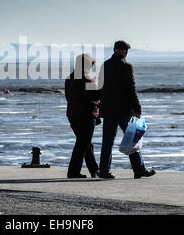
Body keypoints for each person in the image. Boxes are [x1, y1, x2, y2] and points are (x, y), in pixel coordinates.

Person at [97, 40, 155, 179]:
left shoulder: (105, 65)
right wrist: (137, 108)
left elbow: (100, 87)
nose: (127, 53)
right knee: (132, 140)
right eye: (126, 51)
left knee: (107, 142)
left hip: (108, 110)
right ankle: (139, 169)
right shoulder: (126, 66)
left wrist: (101, 105)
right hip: (123, 109)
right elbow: (131, 89)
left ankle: (104, 170)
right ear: (123, 51)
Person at [64, 54, 101, 178]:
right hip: (85, 115)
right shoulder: (86, 78)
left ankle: (94, 170)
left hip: (72, 114)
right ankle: (73, 171)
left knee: (85, 143)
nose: (91, 68)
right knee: (82, 144)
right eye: (91, 66)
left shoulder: (70, 78)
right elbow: (94, 97)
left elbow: (67, 96)